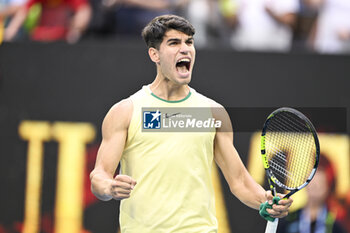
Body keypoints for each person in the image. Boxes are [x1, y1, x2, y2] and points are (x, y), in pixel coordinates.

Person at [90, 14, 293, 232]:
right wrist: (110, 187)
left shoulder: (213, 113)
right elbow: (99, 176)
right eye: (174, 43)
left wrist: (265, 200)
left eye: (189, 42)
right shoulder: (126, 111)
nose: (185, 49)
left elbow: (239, 181)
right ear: (154, 54)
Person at [277, 156, 347, 233]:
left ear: (328, 187)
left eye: (319, 185)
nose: (314, 189)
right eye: (312, 184)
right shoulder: (288, 220)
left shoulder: (337, 226)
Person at [225, 0, 299, 52]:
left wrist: (272, 14)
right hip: (245, 49)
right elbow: (229, 21)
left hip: (274, 48)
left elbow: (290, 20)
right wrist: (236, 15)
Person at [4, 0, 91, 43]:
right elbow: (23, 11)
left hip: (62, 41)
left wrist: (75, 31)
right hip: (40, 40)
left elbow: (83, 11)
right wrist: (11, 30)